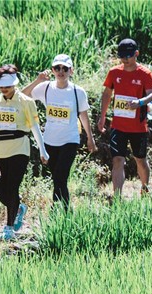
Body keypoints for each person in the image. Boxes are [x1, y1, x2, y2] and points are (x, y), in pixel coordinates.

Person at [23, 54, 97, 209]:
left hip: (70, 140)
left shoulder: (78, 92)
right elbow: (23, 96)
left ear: (71, 71)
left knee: (61, 177)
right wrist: (37, 81)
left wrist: (90, 138)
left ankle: (60, 210)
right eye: (57, 68)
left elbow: (83, 115)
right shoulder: (46, 87)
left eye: (65, 68)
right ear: (52, 70)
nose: (61, 71)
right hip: (49, 140)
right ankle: (62, 212)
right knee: (57, 178)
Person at [0, 65, 48, 240]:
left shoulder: (26, 101)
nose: (3, 89)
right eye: (0, 86)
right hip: (0, 150)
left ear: (14, 84)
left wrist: (42, 150)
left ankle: (9, 227)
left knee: (12, 187)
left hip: (19, 148)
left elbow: (34, 127)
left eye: (6, 86)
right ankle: (19, 208)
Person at [98, 38, 152, 200]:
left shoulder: (145, 74)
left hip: (138, 127)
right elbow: (107, 94)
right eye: (122, 56)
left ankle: (145, 187)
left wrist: (140, 102)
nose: (125, 59)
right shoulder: (114, 72)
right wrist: (102, 117)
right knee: (117, 159)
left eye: (129, 56)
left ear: (136, 54)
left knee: (140, 160)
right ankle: (117, 196)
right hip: (118, 126)